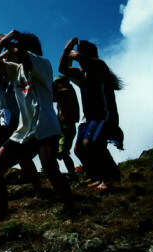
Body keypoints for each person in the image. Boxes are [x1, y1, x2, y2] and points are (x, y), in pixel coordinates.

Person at [0, 30, 74, 222]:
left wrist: (7, 41)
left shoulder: (41, 63)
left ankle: (71, 208)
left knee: (50, 169)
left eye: (16, 45)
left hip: (45, 125)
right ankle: (3, 212)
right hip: (24, 130)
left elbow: (22, 54)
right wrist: (4, 43)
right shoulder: (16, 70)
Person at [0, 35, 42, 201]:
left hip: (19, 120)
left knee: (23, 158)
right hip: (2, 120)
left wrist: (7, 49)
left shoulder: (23, 70)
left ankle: (39, 190)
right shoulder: (4, 74)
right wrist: (4, 51)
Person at [58, 37, 123, 191]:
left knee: (91, 144)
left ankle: (106, 180)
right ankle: (101, 175)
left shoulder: (99, 66)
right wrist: (67, 49)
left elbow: (78, 57)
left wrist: (73, 52)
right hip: (90, 118)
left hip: (104, 115)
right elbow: (63, 69)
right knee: (79, 149)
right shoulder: (82, 73)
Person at [52, 75, 80, 181]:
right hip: (62, 127)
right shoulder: (63, 92)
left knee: (63, 151)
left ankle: (72, 173)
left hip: (67, 126)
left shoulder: (66, 91)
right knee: (56, 151)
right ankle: (58, 173)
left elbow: (52, 96)